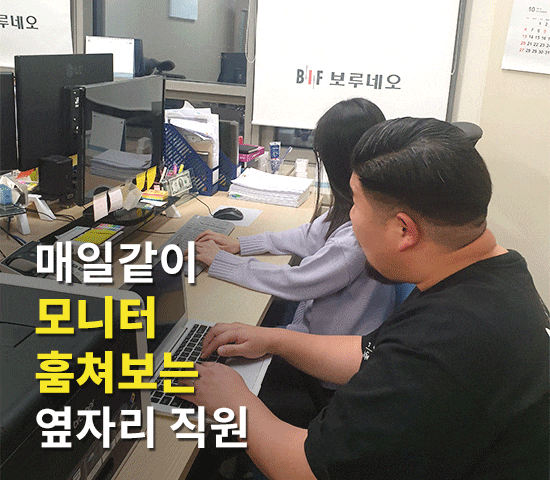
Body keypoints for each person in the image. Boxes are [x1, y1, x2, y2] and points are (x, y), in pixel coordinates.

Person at [181, 117, 550, 480]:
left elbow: (304, 469)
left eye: (356, 205)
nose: (350, 219)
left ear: (403, 230)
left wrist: (234, 403)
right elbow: (370, 353)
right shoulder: (494, 273)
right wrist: (274, 339)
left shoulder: (441, 345)